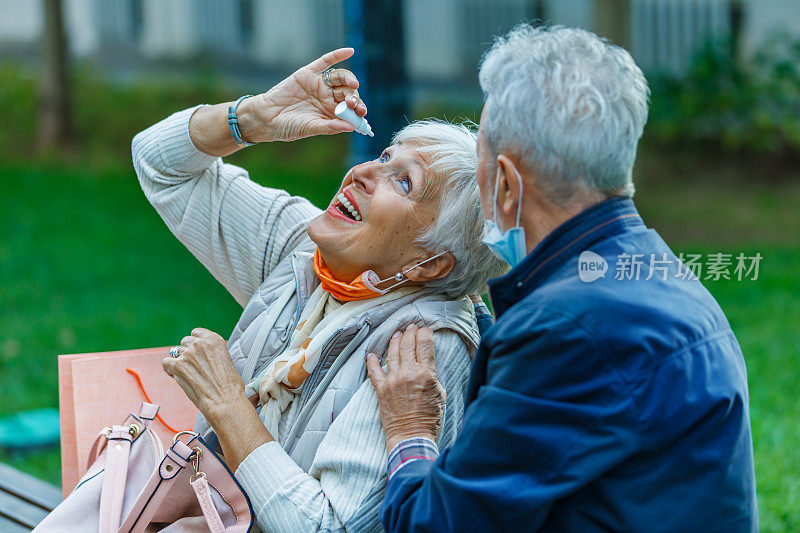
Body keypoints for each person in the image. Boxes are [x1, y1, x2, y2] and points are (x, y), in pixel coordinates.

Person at [367, 25, 758, 532]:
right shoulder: (653, 272)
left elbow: (436, 525)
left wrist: (410, 432)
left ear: (505, 184)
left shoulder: (568, 328)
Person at [131, 47, 506, 532]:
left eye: (404, 183)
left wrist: (228, 406)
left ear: (430, 264)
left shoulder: (423, 346)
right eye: (385, 155)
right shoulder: (309, 251)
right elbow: (160, 165)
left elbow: (326, 527)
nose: (363, 173)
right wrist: (254, 118)